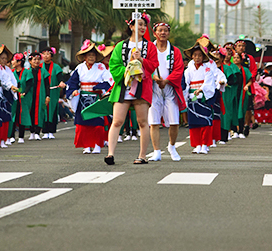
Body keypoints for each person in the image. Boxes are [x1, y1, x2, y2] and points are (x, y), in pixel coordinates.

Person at [105, 12, 158, 165]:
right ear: (131, 26)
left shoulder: (150, 46)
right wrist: (128, 68)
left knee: (142, 122)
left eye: (144, 24)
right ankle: (110, 154)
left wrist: (141, 60)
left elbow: (153, 65)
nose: (142, 27)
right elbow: (114, 66)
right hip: (124, 87)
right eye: (139, 24)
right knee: (117, 121)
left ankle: (142, 155)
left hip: (142, 86)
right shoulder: (121, 46)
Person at [148, 22, 186, 162]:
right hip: (153, 88)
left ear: (168, 33)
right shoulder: (149, 49)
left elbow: (179, 69)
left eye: (165, 31)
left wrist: (167, 80)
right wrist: (154, 77)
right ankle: (156, 150)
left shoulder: (174, 51)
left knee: (175, 122)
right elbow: (144, 66)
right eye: (160, 30)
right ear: (155, 33)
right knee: (154, 122)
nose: (162, 33)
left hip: (170, 88)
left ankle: (172, 146)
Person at [66, 41, 112, 154]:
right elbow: (72, 83)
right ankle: (86, 146)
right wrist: (73, 91)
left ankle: (97, 145)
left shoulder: (101, 67)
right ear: (84, 57)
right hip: (83, 98)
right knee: (83, 124)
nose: (91, 57)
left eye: (93, 55)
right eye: (89, 55)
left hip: (96, 97)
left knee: (97, 124)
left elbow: (109, 81)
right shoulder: (80, 68)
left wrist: (99, 87)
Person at [184, 43, 216, 154]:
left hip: (203, 97)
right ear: (192, 56)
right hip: (192, 97)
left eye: (199, 55)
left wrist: (202, 89)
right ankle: (196, 144)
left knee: (205, 122)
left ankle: (204, 145)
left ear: (203, 57)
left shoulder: (207, 70)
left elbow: (209, 83)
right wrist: (186, 94)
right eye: (195, 55)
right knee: (193, 124)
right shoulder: (188, 70)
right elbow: (186, 83)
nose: (197, 57)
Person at [39, 43, 66, 139]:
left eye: (48, 54)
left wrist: (61, 82)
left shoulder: (56, 67)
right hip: (42, 91)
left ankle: (51, 131)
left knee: (52, 110)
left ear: (51, 56)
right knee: (43, 109)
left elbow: (60, 78)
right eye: (44, 54)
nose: (45, 56)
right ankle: (44, 131)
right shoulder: (39, 66)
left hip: (53, 91)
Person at [0, 45, 16, 147]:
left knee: (6, 118)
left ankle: (5, 138)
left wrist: (13, 88)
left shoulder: (7, 70)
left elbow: (13, 81)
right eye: (2, 58)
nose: (4, 60)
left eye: (5, 58)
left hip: (7, 95)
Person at [9, 53, 29, 143]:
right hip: (14, 97)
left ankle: (21, 136)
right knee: (13, 116)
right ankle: (11, 135)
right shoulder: (11, 72)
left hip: (23, 97)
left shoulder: (26, 72)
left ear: (19, 62)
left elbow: (29, 84)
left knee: (22, 116)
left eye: (13, 60)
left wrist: (24, 92)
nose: (12, 62)